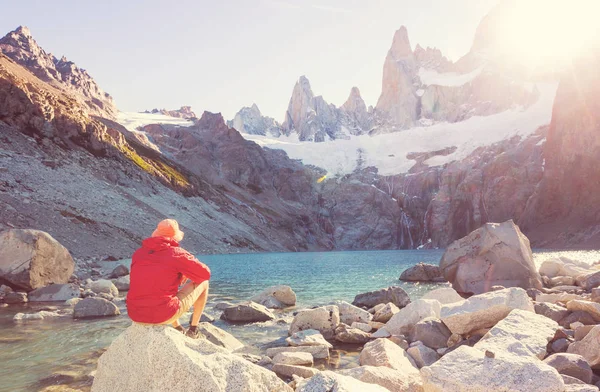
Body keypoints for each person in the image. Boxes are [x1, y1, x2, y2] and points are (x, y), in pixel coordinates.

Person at [126, 218, 211, 338]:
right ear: (174, 237)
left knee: (163, 285)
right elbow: (205, 274)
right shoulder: (176, 253)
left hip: (135, 314)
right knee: (204, 282)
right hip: (162, 315)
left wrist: (181, 273)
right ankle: (193, 330)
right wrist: (185, 272)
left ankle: (177, 327)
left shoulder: (138, 254)